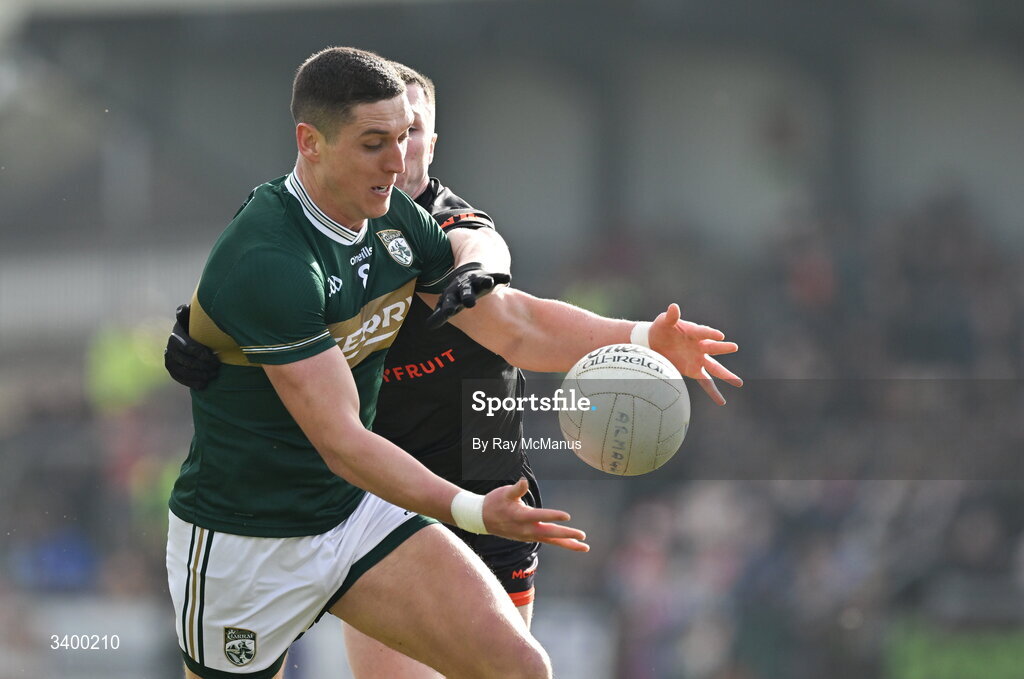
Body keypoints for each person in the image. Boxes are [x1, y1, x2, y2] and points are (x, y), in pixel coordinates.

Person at [165, 46, 740, 679]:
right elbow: (343, 442)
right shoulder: (272, 258)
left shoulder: (400, 221)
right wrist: (467, 507)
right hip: (249, 533)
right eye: (375, 142)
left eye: (408, 136)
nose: (398, 159)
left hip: (363, 511)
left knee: (520, 668)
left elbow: (511, 317)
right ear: (311, 143)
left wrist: (641, 338)